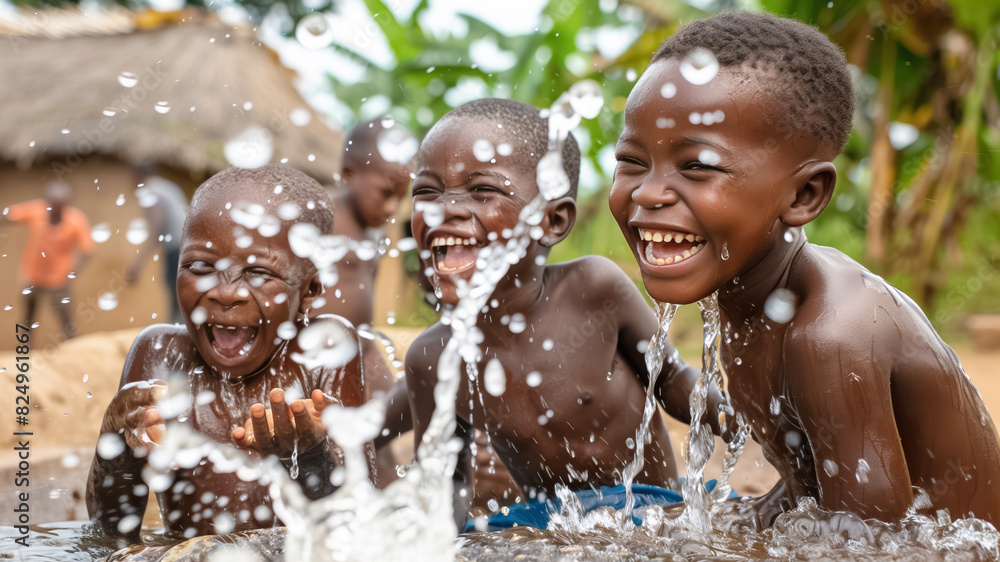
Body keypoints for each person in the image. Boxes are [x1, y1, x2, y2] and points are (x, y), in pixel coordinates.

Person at [608, 11, 1000, 528]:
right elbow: (805, 490)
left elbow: (868, 542)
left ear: (804, 194)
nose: (648, 192)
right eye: (632, 160)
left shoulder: (830, 338)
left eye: (697, 165)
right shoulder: (755, 300)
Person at [406, 98, 726, 532]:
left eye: (483, 190)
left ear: (552, 221)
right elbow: (446, 477)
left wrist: (734, 416)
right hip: (547, 523)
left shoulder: (594, 290)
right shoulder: (432, 356)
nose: (442, 209)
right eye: (426, 191)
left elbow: (671, 382)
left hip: (651, 508)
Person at [86, 165, 368, 547]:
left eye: (257, 272)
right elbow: (111, 533)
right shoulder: (161, 354)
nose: (226, 292)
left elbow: (362, 526)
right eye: (200, 266)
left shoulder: (324, 349)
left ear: (310, 289)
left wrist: (311, 454)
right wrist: (116, 446)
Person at [315, 119, 417, 486]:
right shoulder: (320, 216)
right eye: (386, 193)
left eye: (401, 196)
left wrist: (371, 350)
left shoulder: (372, 232)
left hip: (360, 348)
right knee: (332, 446)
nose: (393, 207)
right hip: (316, 351)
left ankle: (394, 516)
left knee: (387, 431)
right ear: (348, 174)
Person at [3, 181, 93, 340]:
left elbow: (87, 251)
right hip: (33, 275)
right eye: (51, 205)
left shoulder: (75, 220)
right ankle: (25, 354)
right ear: (47, 202)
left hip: (59, 279)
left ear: (66, 205)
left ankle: (74, 352)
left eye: (59, 206)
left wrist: (71, 275)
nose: (54, 210)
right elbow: (8, 216)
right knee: (28, 319)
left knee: (66, 320)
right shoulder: (37, 211)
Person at [126, 162, 190, 324]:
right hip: (190, 244)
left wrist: (137, 264)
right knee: (183, 291)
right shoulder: (168, 187)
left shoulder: (148, 191)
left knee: (176, 294)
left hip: (177, 248)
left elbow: (157, 227)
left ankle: (177, 336)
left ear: (136, 176)